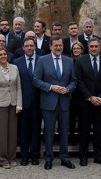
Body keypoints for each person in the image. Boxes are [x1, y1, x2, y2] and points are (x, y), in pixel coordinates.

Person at [33, 35, 77, 170]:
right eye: (56, 45)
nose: (58, 47)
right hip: (48, 102)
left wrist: (68, 89)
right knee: (48, 132)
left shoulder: (69, 61)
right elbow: (36, 80)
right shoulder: (42, 60)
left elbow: (74, 81)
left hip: (64, 102)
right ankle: (49, 159)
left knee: (64, 132)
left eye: (60, 45)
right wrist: (51, 87)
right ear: (50, 46)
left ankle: (65, 158)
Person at [75, 38, 101, 166]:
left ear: (100, 47)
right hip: (85, 103)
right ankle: (83, 156)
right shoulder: (80, 61)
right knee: (84, 130)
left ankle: (98, 156)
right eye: (92, 46)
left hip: (100, 103)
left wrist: (100, 98)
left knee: (98, 130)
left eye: (96, 46)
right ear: (88, 48)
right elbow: (79, 81)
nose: (94, 48)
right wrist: (90, 97)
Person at [0, 46, 23, 169]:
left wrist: (19, 104)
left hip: (13, 104)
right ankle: (2, 160)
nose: (3, 56)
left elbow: (18, 87)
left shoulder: (14, 68)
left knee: (13, 134)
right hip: (0, 105)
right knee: (1, 134)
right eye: (0, 55)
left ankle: (12, 157)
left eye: (4, 54)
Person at [13, 37, 42, 166]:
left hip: (38, 101)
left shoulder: (42, 60)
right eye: (27, 46)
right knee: (23, 131)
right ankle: (24, 156)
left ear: (35, 46)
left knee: (36, 131)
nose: (29, 48)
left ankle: (35, 155)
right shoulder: (16, 62)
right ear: (23, 48)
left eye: (31, 45)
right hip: (22, 102)